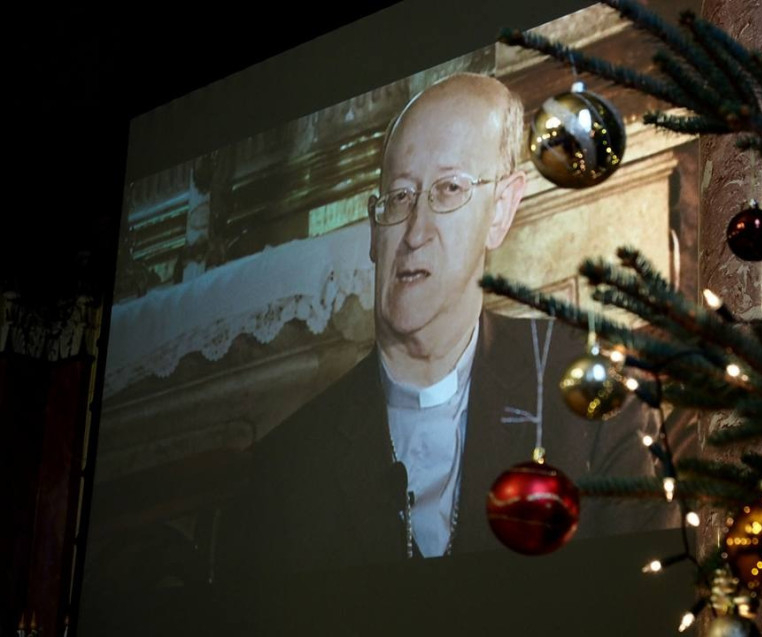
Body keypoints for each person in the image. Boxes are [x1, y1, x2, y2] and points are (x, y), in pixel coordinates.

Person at [216, 73, 674, 587]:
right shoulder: (284, 469)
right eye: (399, 197)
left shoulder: (594, 391)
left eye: (449, 189)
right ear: (374, 231)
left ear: (501, 210)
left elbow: (644, 597)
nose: (415, 233)